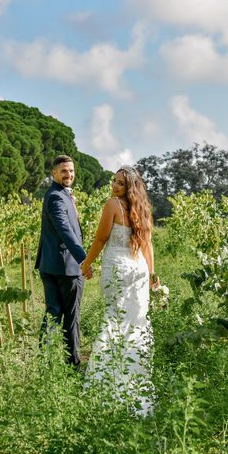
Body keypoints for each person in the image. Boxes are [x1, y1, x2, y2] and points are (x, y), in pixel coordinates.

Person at [80, 165, 159, 416]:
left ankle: (107, 385)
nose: (115, 187)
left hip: (118, 269)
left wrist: (86, 263)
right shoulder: (142, 209)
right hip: (138, 270)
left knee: (115, 320)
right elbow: (148, 246)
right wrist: (151, 273)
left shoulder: (112, 204)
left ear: (129, 187)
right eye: (114, 182)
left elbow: (101, 239)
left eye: (120, 183)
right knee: (135, 324)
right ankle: (133, 380)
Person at [35, 155, 91, 367]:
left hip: (50, 265)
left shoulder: (58, 194)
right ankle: (73, 366)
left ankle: (45, 364)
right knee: (70, 318)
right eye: (64, 171)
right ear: (54, 173)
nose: (69, 175)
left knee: (52, 315)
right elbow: (65, 230)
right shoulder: (57, 197)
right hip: (66, 268)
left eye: (71, 171)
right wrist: (84, 260)